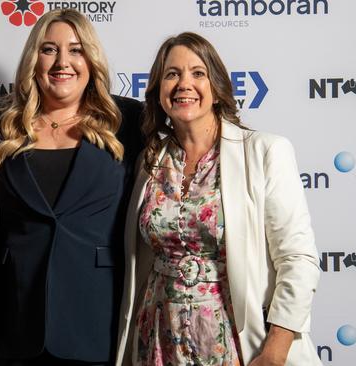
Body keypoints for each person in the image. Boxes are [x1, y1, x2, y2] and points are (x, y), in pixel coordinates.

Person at [115, 32, 322, 366]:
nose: (184, 84)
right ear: (158, 90)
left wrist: (275, 351)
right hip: (157, 340)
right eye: (172, 74)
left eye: (198, 73)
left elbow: (298, 260)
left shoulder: (264, 152)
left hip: (238, 345)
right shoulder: (149, 161)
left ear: (217, 87)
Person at [0, 9, 143, 366]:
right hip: (16, 319)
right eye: (49, 49)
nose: (62, 62)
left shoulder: (128, 122)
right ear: (33, 59)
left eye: (76, 50)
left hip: (98, 320)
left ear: (91, 59)